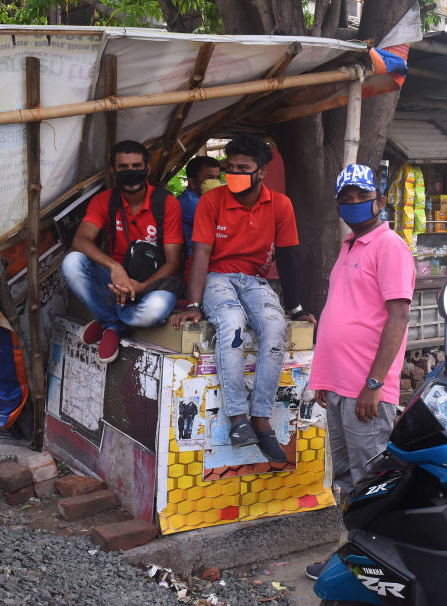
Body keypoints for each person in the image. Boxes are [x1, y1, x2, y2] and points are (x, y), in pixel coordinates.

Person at [171, 134, 315, 463]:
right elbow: (201, 255)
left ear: (261, 171)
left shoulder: (280, 204)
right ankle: (238, 418)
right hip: (217, 277)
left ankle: (261, 419)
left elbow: (289, 257)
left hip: (254, 280)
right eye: (230, 167)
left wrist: (296, 307)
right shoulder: (212, 201)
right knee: (231, 324)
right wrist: (194, 304)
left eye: (243, 168)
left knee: (276, 328)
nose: (234, 173)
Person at [304, 164, 415, 580]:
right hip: (338, 387)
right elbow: (343, 314)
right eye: (345, 198)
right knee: (348, 481)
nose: (352, 203)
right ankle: (354, 561)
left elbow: (398, 317)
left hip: (366, 390)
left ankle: (382, 566)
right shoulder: (350, 246)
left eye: (360, 196)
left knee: (372, 484)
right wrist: (323, 381)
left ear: (379, 200)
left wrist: (374, 383)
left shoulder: (389, 246)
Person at [62, 140, 184, 363]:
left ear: (147, 168)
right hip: (115, 282)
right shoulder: (105, 201)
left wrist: (141, 286)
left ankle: (107, 317)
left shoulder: (166, 203)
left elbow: (173, 262)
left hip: (155, 283)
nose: (131, 172)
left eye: (137, 166)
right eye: (123, 168)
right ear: (113, 170)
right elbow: (80, 240)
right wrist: (115, 267)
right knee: (72, 262)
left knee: (153, 312)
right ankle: (112, 324)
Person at [176, 156, 221, 255]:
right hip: (195, 258)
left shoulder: (204, 199)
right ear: (192, 182)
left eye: (218, 178)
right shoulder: (191, 203)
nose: (216, 183)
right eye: (210, 178)